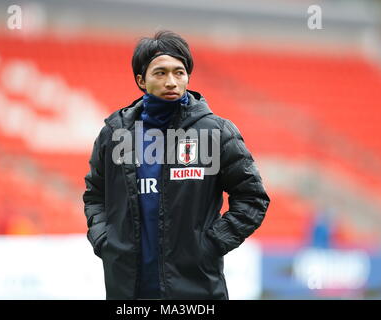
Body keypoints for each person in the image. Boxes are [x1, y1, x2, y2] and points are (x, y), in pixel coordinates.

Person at [83, 30, 270, 300]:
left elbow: (253, 198)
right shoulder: (114, 134)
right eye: (160, 73)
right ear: (141, 80)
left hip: (196, 291)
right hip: (127, 290)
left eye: (179, 72)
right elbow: (95, 195)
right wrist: (105, 241)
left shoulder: (215, 132)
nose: (171, 81)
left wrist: (210, 244)